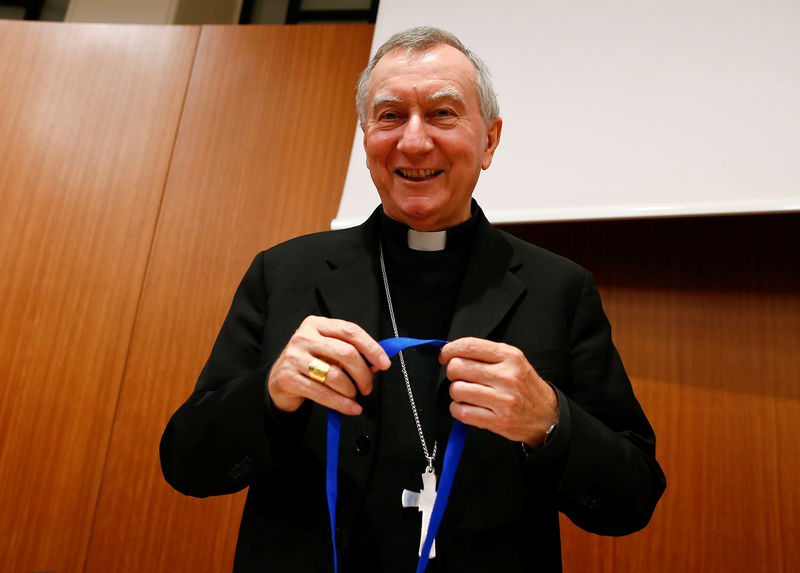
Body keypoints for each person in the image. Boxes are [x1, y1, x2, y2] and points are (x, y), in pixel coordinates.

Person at [160, 26, 665, 573]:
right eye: (390, 116)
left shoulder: (559, 288)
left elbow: (631, 498)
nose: (415, 142)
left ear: (490, 140)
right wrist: (269, 394)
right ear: (365, 135)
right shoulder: (284, 272)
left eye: (443, 114)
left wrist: (550, 423)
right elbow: (188, 464)